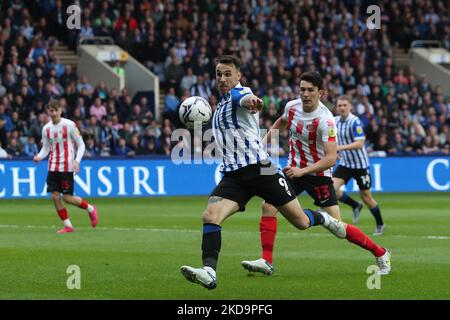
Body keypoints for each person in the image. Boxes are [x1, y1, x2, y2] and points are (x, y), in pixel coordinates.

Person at [179, 56, 386, 290]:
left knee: (302, 222)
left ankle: (324, 219)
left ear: (238, 76)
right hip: (234, 175)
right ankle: (210, 271)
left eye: (228, 73)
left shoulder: (240, 95)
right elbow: (276, 124)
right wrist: (263, 140)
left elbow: (248, 100)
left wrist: (254, 102)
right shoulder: (224, 105)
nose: (223, 78)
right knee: (210, 215)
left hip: (263, 172)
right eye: (219, 74)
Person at [241, 72, 390, 277]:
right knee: (268, 205)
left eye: (310, 90)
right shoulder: (291, 107)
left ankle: (380, 252)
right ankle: (266, 260)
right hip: (293, 171)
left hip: (317, 175)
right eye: (302, 89)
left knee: (338, 227)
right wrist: (262, 144)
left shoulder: (326, 120)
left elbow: (331, 158)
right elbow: (280, 123)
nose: (305, 94)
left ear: (321, 92)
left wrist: (303, 170)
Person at [33, 100, 99, 234]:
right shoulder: (46, 129)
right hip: (53, 166)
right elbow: (46, 147)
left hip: (67, 166)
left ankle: (91, 209)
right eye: (50, 111)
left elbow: (81, 144)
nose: (53, 113)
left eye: (55, 110)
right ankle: (68, 225)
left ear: (60, 111)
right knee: (55, 196)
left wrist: (77, 161)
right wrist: (39, 156)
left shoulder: (69, 125)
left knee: (67, 198)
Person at [333, 96, 386, 235]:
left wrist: (340, 148)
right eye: (339, 105)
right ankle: (355, 205)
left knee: (366, 197)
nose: (342, 108)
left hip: (361, 165)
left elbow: (360, 143)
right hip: (345, 164)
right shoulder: (335, 121)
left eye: (345, 105)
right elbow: (332, 140)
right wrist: (335, 151)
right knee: (331, 189)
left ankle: (380, 224)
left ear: (350, 107)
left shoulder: (355, 122)